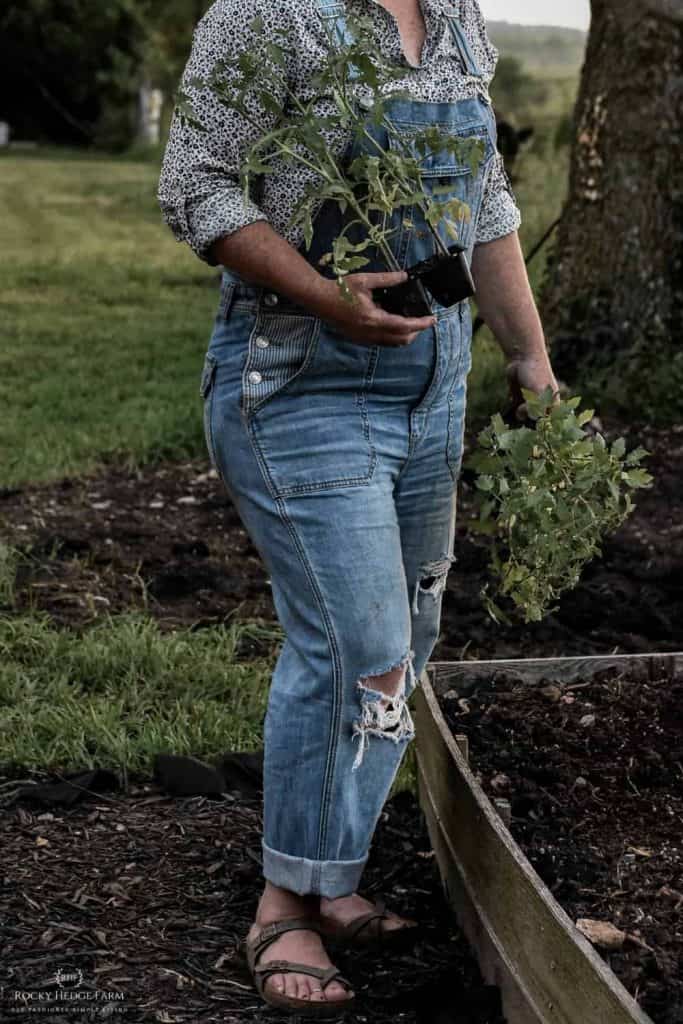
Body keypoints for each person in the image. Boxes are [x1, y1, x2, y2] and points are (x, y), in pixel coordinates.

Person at [158, 0, 559, 1015]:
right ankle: (281, 903)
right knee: (356, 643)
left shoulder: (459, 15)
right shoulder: (264, 14)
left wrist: (530, 360)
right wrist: (325, 293)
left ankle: (331, 873)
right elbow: (195, 185)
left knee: (404, 643)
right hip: (300, 380)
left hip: (434, 385)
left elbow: (484, 198)